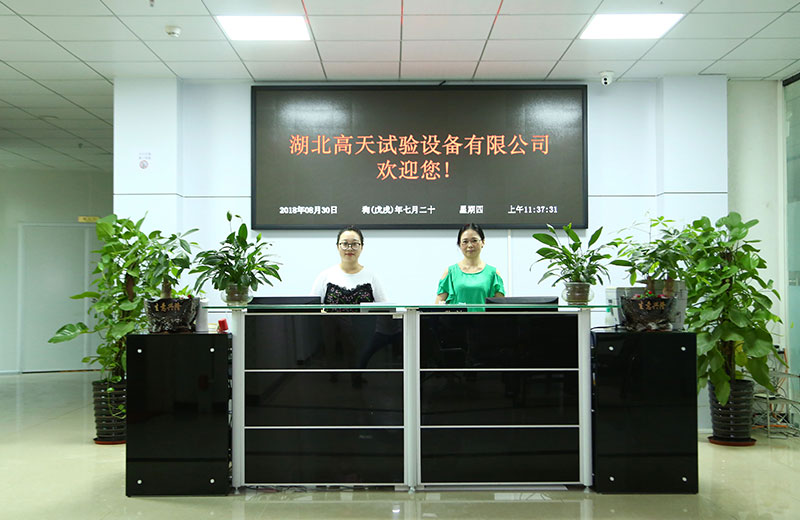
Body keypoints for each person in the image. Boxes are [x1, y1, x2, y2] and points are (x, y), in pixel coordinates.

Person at [311, 225, 387, 304]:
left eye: (354, 244)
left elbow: (385, 309)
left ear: (361, 247)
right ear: (337, 246)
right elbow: (310, 308)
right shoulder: (325, 276)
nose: (349, 248)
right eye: (345, 244)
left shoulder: (371, 277)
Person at [435, 223, 505, 306]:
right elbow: (438, 307)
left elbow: (501, 308)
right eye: (465, 241)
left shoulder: (493, 273)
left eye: (474, 241)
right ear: (459, 244)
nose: (470, 245)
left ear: (483, 242)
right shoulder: (450, 272)